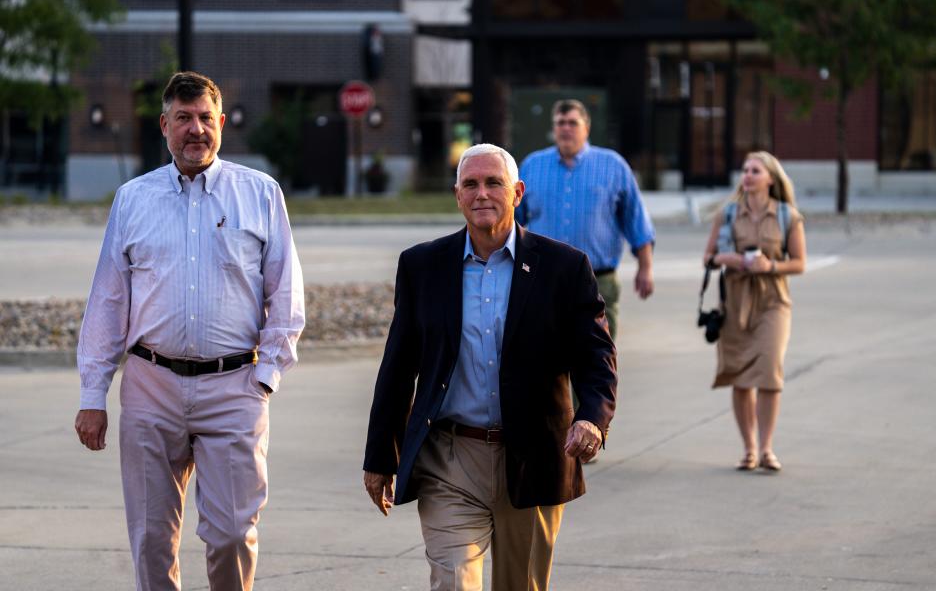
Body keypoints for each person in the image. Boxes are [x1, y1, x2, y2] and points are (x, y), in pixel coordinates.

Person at [74, 71, 305, 590]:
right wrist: (94, 393)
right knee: (152, 538)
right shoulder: (133, 199)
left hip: (234, 388)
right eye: (183, 119)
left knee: (230, 534)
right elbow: (109, 301)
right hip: (150, 386)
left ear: (222, 123)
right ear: (164, 126)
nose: (195, 129)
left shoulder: (260, 194)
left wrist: (265, 376)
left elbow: (286, 297)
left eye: (205, 118)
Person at [362, 143, 617, 590]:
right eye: (471, 184)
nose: (482, 193)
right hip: (450, 456)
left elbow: (595, 356)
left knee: (521, 585)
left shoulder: (564, 267)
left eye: (494, 183)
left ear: (517, 192)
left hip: (535, 454)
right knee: (454, 581)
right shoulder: (422, 266)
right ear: (457, 194)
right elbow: (399, 365)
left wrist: (592, 418)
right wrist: (382, 457)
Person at [701, 151, 806, 472]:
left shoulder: (788, 215)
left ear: (770, 178)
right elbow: (708, 257)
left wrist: (769, 264)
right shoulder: (728, 214)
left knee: (770, 372)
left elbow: (799, 263)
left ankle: (767, 448)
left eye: (755, 171)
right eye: (745, 170)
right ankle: (748, 449)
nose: (747, 176)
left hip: (773, 302)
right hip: (734, 303)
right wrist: (727, 259)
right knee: (741, 376)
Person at [515, 99, 655, 340]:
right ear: (553, 128)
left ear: (586, 128)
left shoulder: (613, 166)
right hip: (546, 280)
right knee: (549, 363)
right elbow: (512, 221)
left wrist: (646, 268)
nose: (566, 128)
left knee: (598, 363)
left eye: (572, 122)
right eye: (560, 123)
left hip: (598, 280)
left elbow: (636, 220)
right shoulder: (532, 166)